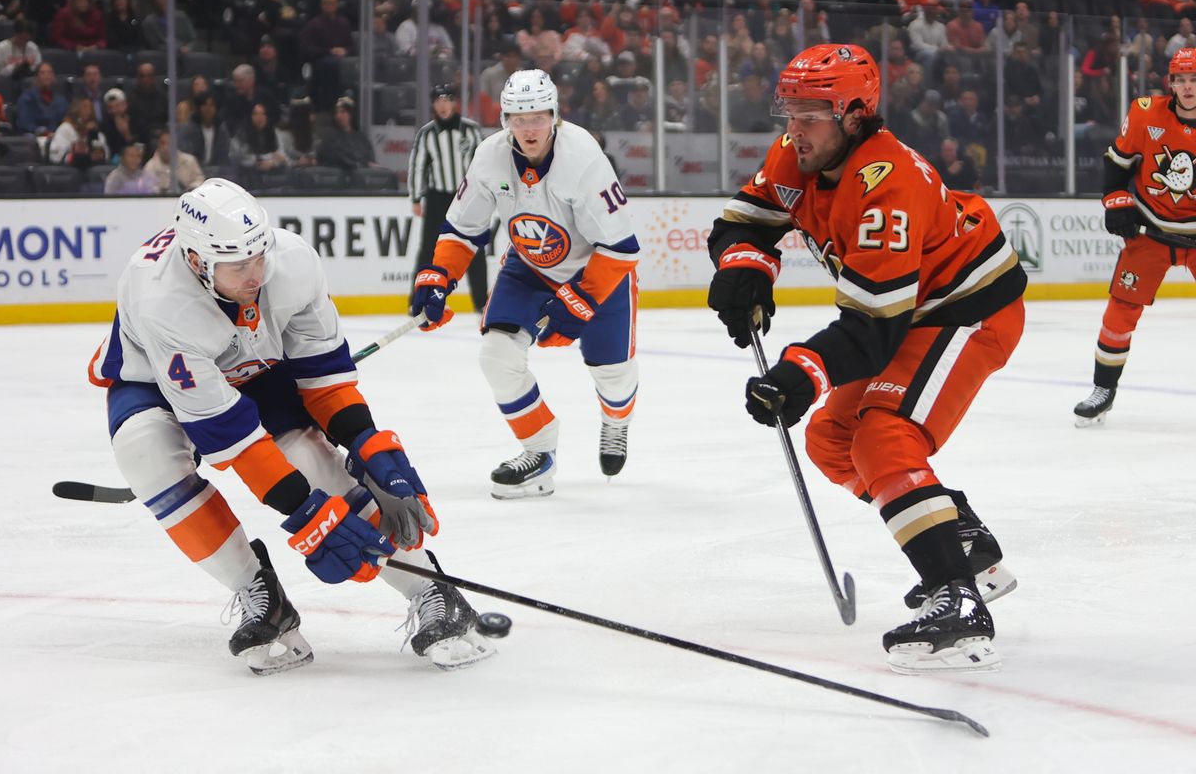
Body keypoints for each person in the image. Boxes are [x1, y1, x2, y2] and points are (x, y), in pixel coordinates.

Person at [86, 178, 496, 674]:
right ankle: (258, 594)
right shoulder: (162, 300)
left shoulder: (293, 262)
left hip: (255, 368)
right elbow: (234, 438)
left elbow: (324, 381)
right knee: (145, 452)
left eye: (259, 256)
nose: (255, 273)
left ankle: (432, 589)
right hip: (151, 379)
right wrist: (306, 514)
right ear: (197, 262)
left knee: (311, 457)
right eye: (237, 266)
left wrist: (370, 447)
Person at [705, 45, 1026, 673]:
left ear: (855, 114)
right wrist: (746, 267)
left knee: (883, 436)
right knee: (832, 439)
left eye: (812, 113)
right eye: (789, 110)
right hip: (909, 311)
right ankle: (964, 546)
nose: (794, 127)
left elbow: (874, 327)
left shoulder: (890, 185)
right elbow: (744, 224)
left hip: (966, 308)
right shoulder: (799, 155)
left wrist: (800, 371)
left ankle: (958, 601)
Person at [411, 70, 639, 498]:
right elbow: (463, 230)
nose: (529, 128)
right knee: (496, 355)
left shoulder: (584, 158)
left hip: (597, 272)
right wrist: (440, 275)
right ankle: (539, 453)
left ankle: (616, 421)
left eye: (538, 116)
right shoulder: (488, 157)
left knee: (612, 373)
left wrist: (581, 300)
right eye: (519, 117)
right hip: (529, 266)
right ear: (504, 120)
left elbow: (621, 247)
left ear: (555, 115)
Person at [1074, 48, 1196, 426]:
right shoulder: (1146, 113)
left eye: (1194, 79)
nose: (1188, 87)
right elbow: (1117, 165)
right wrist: (1117, 202)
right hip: (1152, 231)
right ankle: (1103, 390)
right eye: (1181, 79)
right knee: (1120, 314)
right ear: (1170, 83)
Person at [409, 84, 487, 314]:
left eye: (447, 100)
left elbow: (483, 164)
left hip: (466, 197)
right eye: (438, 100)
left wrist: (484, 194)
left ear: (454, 103)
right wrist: (415, 197)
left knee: (475, 247)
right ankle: (417, 300)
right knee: (428, 250)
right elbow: (417, 165)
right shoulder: (427, 133)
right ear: (433, 104)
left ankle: (481, 302)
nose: (442, 105)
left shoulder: (471, 130)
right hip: (436, 198)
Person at [143, 127, 205, 192]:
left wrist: (191, 188)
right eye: (162, 143)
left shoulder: (190, 161)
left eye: (170, 143)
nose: (166, 148)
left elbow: (199, 180)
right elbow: (148, 189)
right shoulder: (150, 166)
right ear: (158, 145)